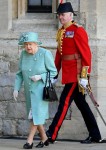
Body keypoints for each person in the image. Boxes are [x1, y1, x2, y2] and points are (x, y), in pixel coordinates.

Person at [46, 2, 102, 144]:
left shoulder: (78, 30)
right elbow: (60, 55)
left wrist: (85, 75)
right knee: (82, 105)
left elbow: (86, 55)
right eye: (59, 15)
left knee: (64, 103)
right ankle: (95, 135)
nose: (60, 17)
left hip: (76, 76)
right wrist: (54, 73)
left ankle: (51, 134)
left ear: (71, 15)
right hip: (68, 74)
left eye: (63, 15)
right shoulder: (61, 32)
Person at [13, 32, 57, 149]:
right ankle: (44, 138)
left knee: (35, 115)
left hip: (41, 91)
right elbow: (19, 74)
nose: (28, 47)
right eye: (26, 44)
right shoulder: (23, 54)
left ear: (36, 44)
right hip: (29, 92)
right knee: (35, 116)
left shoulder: (45, 53)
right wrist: (16, 89)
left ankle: (29, 141)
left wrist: (40, 77)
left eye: (31, 44)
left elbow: (53, 72)